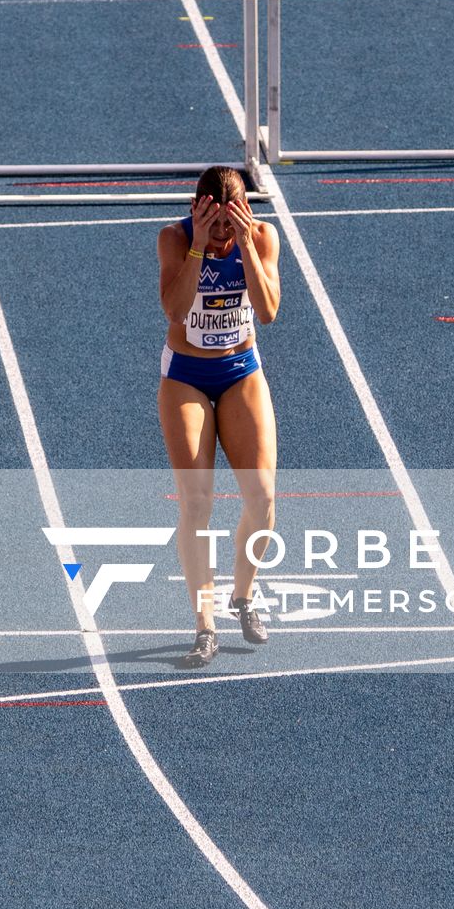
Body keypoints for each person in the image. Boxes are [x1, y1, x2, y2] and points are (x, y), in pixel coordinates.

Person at [155, 165, 281, 669]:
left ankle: (243, 596)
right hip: (186, 376)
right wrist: (198, 247)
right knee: (196, 503)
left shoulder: (261, 236)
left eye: (232, 223)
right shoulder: (174, 238)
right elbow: (175, 309)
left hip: (240, 371)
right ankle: (204, 625)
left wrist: (244, 245)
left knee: (263, 498)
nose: (224, 235)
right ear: (197, 210)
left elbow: (268, 312)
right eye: (217, 225)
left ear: (244, 212)